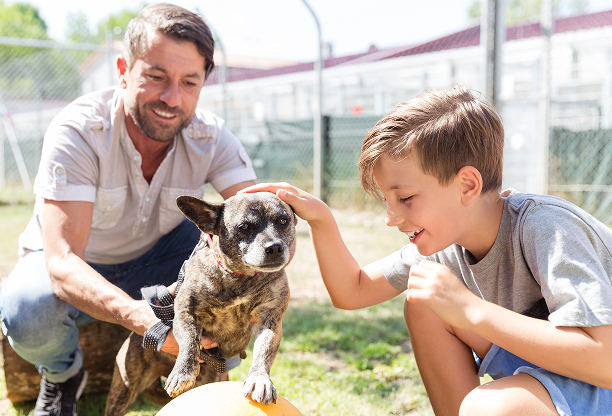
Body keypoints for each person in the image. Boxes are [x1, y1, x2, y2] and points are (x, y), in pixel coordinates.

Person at [241, 85, 612, 416]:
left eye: (405, 198)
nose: (391, 217)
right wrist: (320, 218)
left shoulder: (545, 226)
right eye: (387, 200)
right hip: (554, 370)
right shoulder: (446, 240)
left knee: (492, 407)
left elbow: (605, 360)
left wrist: (471, 310)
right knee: (423, 302)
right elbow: (352, 290)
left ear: (467, 185)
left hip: (600, 375)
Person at [0, 4, 257, 415]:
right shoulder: (80, 129)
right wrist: (146, 321)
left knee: (234, 261)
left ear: (203, 82)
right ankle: (64, 376)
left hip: (160, 261)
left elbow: (257, 222)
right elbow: (63, 260)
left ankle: (202, 375)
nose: (172, 98)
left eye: (189, 82)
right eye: (156, 77)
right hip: (73, 263)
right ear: (123, 69)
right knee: (26, 311)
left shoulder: (213, 136)